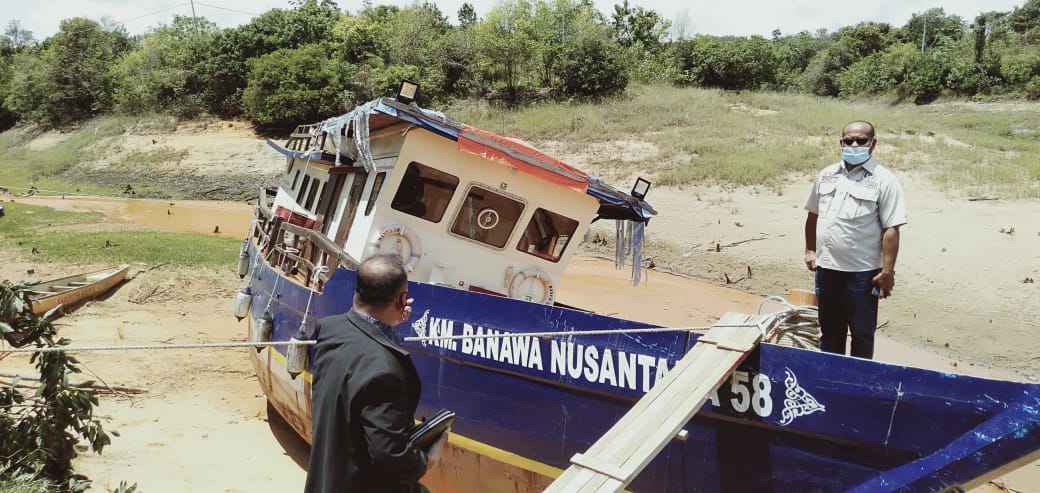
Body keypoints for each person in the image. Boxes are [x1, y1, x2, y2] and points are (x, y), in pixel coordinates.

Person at [305, 253, 449, 493]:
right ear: (403, 298)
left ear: (359, 289)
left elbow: (363, 345)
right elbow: (389, 453)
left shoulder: (330, 329)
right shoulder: (385, 371)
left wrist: (389, 326)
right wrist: (427, 460)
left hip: (327, 479)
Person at [803, 121, 907, 359]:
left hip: (862, 273)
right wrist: (810, 250)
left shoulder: (884, 180)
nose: (854, 145)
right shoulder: (827, 175)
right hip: (827, 268)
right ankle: (831, 378)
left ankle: (858, 380)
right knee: (829, 331)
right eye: (849, 140)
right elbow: (813, 215)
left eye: (861, 141)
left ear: (873, 144)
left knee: (862, 333)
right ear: (841, 143)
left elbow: (892, 229)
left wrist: (888, 272)